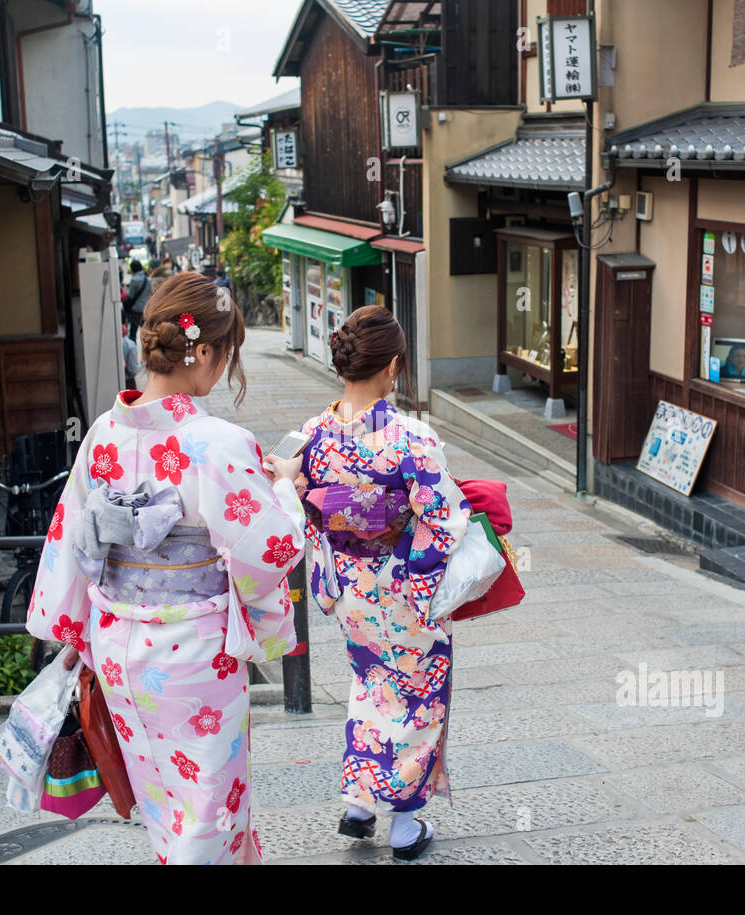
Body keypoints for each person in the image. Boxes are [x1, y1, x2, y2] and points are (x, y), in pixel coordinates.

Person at [25, 271, 306, 865]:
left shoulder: (102, 433)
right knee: (208, 804)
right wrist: (284, 489)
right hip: (193, 656)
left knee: (161, 800)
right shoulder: (215, 442)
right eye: (223, 355)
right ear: (202, 350)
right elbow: (270, 550)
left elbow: (70, 541)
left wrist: (78, 634)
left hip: (117, 647)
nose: (222, 368)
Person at [266, 306, 471, 861]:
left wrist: (341, 519)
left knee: (371, 686)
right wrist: (414, 567)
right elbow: (444, 520)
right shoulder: (410, 437)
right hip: (403, 590)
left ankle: (359, 805)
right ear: (393, 368)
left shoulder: (309, 434)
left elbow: (307, 512)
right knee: (417, 700)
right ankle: (404, 827)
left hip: (349, 587)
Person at [123, 259, 152, 341]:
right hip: (146, 308)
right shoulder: (148, 279)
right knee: (147, 330)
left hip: (136, 309)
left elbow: (130, 295)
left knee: (133, 332)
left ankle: (133, 350)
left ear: (132, 269)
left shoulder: (134, 280)